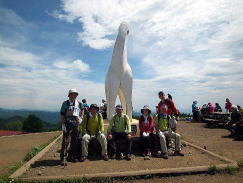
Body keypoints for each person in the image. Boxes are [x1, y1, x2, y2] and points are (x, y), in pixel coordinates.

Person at [59, 89, 84, 165]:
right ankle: (63, 158)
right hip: (67, 124)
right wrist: (63, 124)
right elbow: (62, 114)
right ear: (69, 95)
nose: (74, 95)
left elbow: (82, 110)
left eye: (75, 94)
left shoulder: (79, 103)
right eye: (72, 94)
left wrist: (81, 117)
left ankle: (72, 156)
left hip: (76, 124)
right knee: (66, 141)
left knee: (74, 141)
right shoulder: (65, 103)